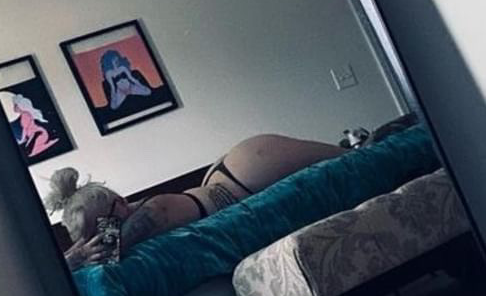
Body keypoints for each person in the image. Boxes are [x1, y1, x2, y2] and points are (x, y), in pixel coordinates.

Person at [46, 115, 418, 271]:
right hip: (233, 174)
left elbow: (122, 241)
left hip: (249, 169)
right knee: (355, 153)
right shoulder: (126, 217)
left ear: (119, 204)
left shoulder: (151, 210)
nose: (102, 238)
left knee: (360, 156)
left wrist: (75, 259)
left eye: (104, 226)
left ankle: (413, 121)